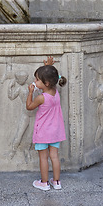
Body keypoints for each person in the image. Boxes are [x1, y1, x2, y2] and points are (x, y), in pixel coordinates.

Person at [26, 57, 67, 191]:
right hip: (56, 131)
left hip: (43, 132)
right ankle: (56, 182)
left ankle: (44, 183)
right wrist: (48, 66)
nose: (35, 81)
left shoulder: (41, 97)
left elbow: (29, 107)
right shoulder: (55, 93)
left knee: (43, 158)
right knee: (54, 157)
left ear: (46, 83)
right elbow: (52, 76)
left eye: (37, 80)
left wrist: (30, 92)